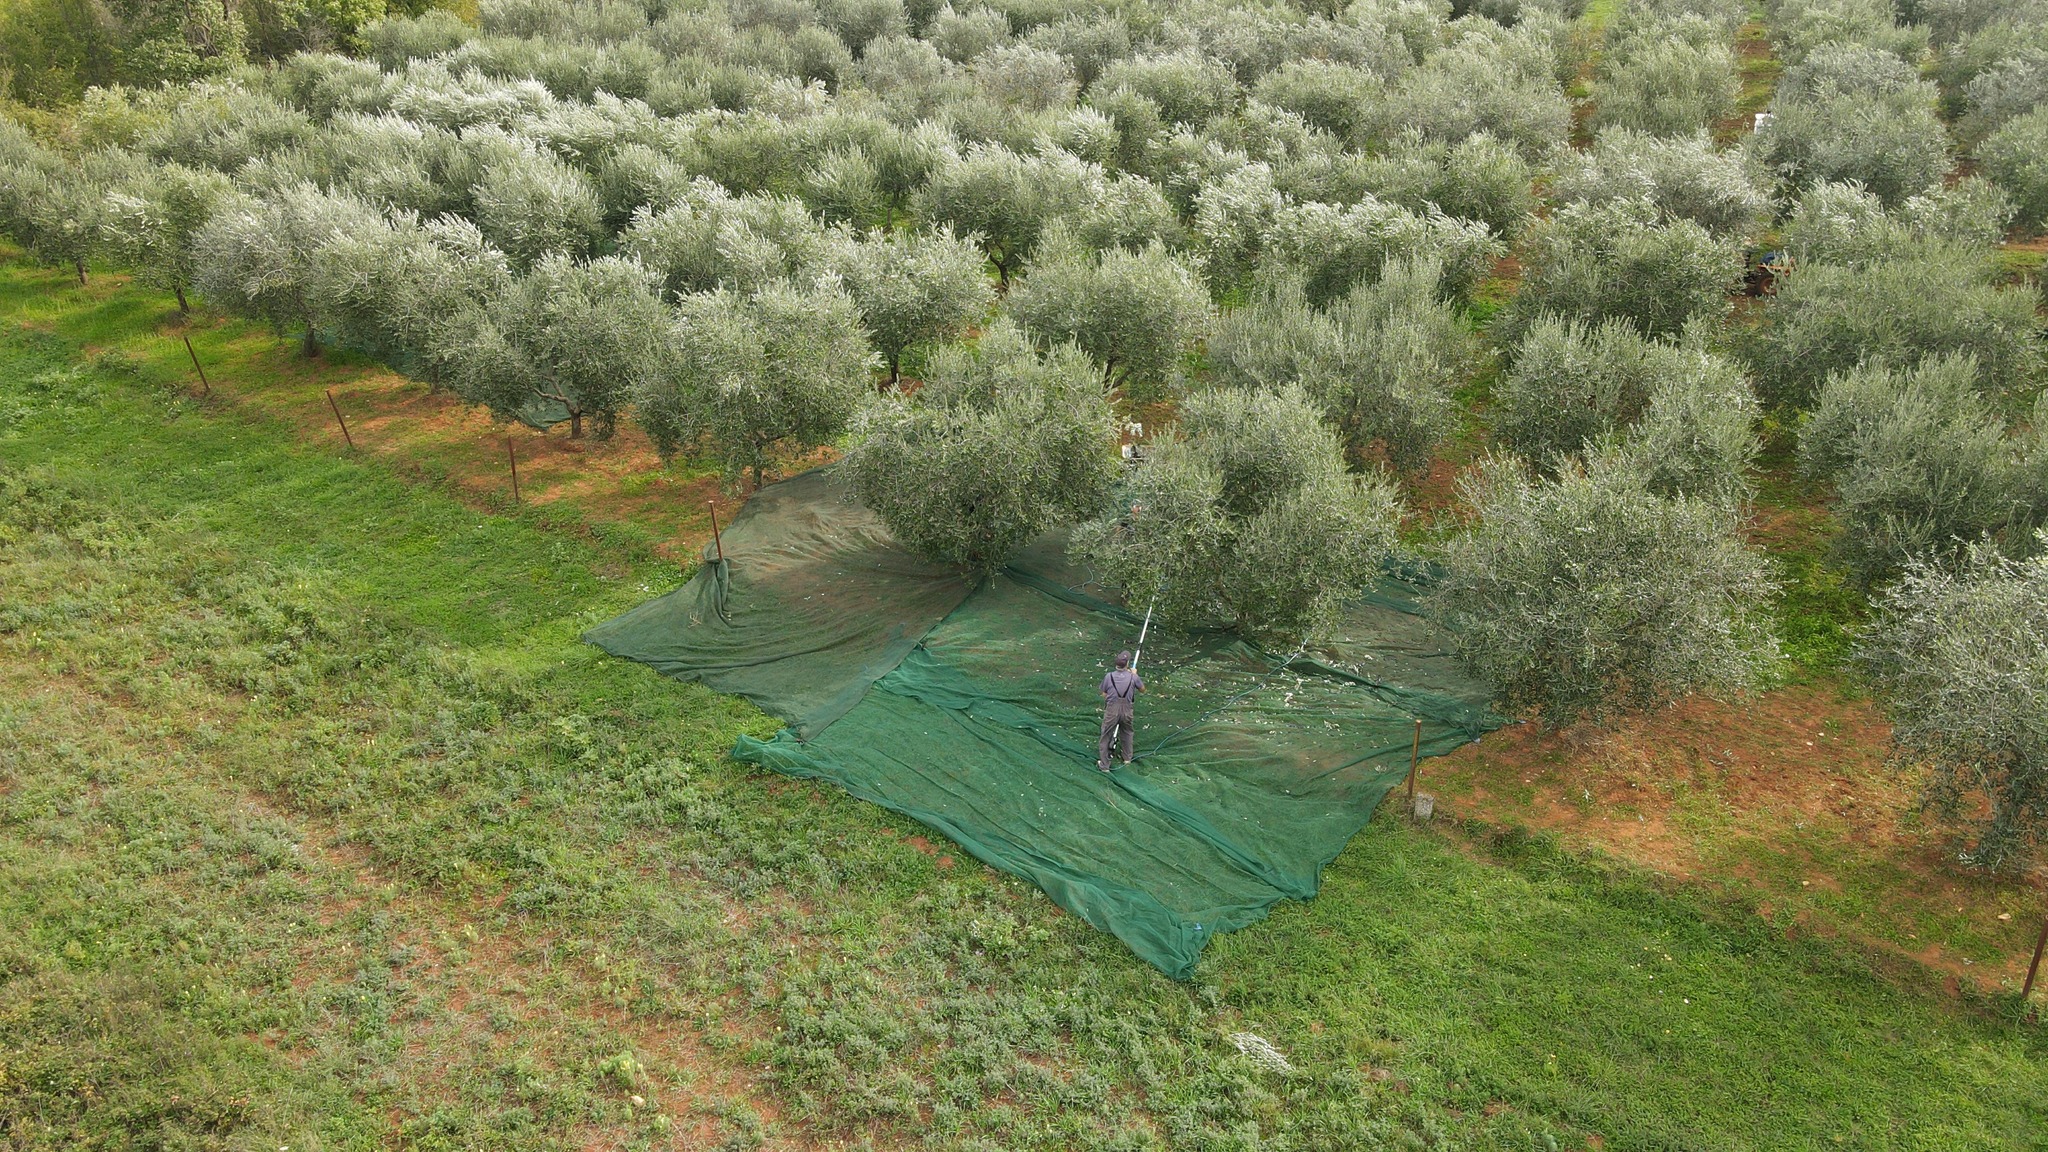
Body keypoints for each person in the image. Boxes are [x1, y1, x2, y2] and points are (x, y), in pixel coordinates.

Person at [1098, 650, 1144, 773]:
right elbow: (1142, 689)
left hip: (1112, 708)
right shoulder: (1133, 677)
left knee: (1106, 734)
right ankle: (1127, 758)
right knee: (1127, 732)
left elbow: (1103, 693)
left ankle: (1104, 765)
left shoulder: (1109, 676)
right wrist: (1134, 675)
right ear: (1127, 663)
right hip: (1127, 708)